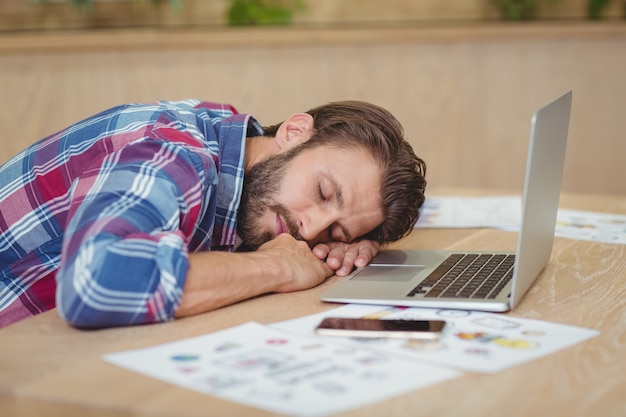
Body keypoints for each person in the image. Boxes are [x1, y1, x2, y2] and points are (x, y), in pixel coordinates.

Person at [0, 99, 426, 329]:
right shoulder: (174, 155)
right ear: (294, 133)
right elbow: (96, 282)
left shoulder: (240, 157)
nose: (309, 229)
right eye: (323, 192)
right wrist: (274, 266)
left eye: (334, 229)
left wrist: (358, 242)